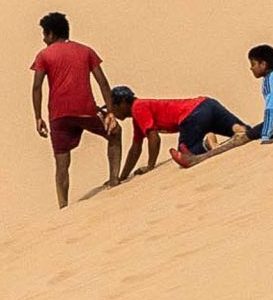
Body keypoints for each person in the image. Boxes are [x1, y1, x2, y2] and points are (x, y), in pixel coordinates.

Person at [29, 12, 120, 208]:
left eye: (45, 34)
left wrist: (37, 117)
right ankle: (114, 180)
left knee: (61, 162)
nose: (44, 39)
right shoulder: (86, 51)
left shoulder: (43, 55)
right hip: (86, 110)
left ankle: (63, 205)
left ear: (52, 34)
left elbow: (37, 87)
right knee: (115, 132)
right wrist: (110, 112)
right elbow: (103, 83)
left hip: (58, 115)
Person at [107, 86, 251, 172]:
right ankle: (227, 131)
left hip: (192, 116)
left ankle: (206, 141)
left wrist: (150, 166)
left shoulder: (138, 107)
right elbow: (135, 148)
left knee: (186, 155)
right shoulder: (138, 116)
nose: (112, 111)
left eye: (113, 106)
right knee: (246, 132)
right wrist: (123, 176)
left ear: (123, 103)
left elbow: (154, 138)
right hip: (207, 104)